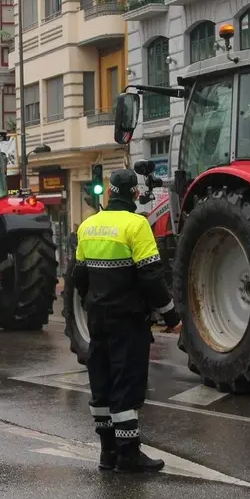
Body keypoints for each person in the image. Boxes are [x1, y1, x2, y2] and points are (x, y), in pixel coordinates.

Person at [72, 169, 180, 473]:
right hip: (128, 320)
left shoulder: (88, 226)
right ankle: (129, 454)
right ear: (135, 194)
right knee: (127, 383)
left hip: (97, 319)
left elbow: (80, 275)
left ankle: (107, 453)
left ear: (109, 192)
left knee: (102, 381)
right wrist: (171, 315)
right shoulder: (137, 225)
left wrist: (92, 300)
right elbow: (151, 278)